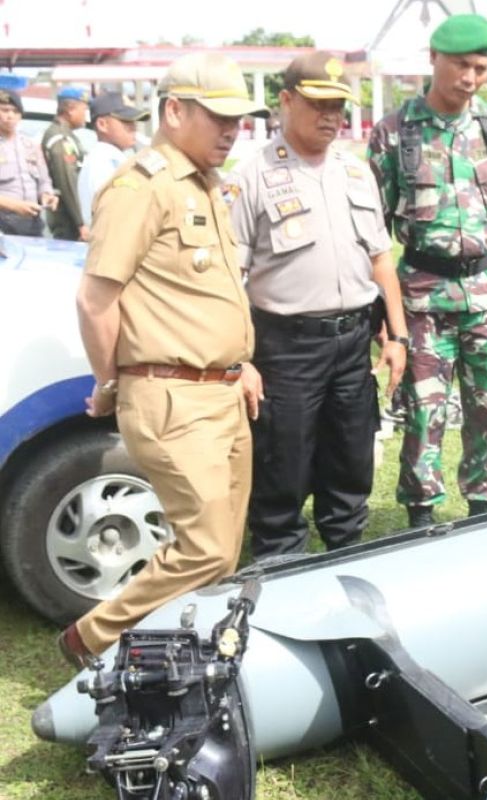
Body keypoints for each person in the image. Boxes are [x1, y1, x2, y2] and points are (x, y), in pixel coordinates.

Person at [60, 52, 269, 668]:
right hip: (173, 397)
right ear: (174, 111)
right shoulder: (140, 187)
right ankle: (91, 640)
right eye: (219, 117)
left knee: (223, 552)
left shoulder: (206, 185)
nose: (233, 131)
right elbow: (97, 299)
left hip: (224, 391)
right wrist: (111, 380)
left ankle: (176, 660)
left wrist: (242, 360)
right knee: (204, 549)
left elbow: (205, 294)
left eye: (240, 120)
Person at [368, 13, 487, 527]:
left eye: (480, 68)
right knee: (424, 413)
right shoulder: (394, 133)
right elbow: (374, 232)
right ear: (433, 60)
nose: (469, 78)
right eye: (459, 65)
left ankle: (484, 508)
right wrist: (385, 315)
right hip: (422, 301)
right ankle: (421, 513)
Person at [230, 52, 407, 559]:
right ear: (285, 102)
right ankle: (281, 564)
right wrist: (239, 357)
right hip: (285, 348)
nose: (331, 117)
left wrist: (396, 336)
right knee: (282, 466)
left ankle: (343, 555)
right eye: (318, 104)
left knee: (350, 460)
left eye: (338, 106)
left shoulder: (355, 172)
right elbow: (230, 278)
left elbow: (381, 258)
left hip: (353, 341)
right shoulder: (253, 176)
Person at [77, 92, 148, 227]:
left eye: (133, 122)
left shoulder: (113, 158)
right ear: (102, 124)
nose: (133, 127)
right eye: (125, 122)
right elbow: (111, 215)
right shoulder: (102, 162)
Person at [0, 89, 57, 236]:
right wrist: (15, 206)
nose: (10, 116)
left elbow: (44, 180)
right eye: (4, 110)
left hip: (32, 222)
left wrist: (47, 195)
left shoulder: (30, 145)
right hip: (3, 224)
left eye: (15, 111)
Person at [42, 86, 89, 241]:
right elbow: (68, 182)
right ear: (70, 110)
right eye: (84, 110)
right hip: (67, 219)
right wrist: (80, 222)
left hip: (70, 217)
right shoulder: (60, 138)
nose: (85, 116)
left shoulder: (66, 135)